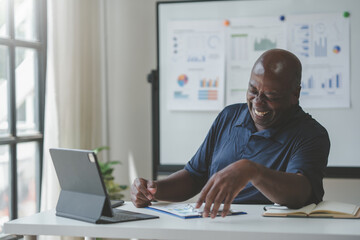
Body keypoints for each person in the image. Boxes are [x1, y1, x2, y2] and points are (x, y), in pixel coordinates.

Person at [131, 49, 330, 218]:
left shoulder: (311, 134)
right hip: (214, 229)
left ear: (295, 94)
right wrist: (153, 190)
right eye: (253, 90)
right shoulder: (229, 116)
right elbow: (195, 176)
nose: (258, 101)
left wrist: (252, 171)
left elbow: (300, 193)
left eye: (271, 95)